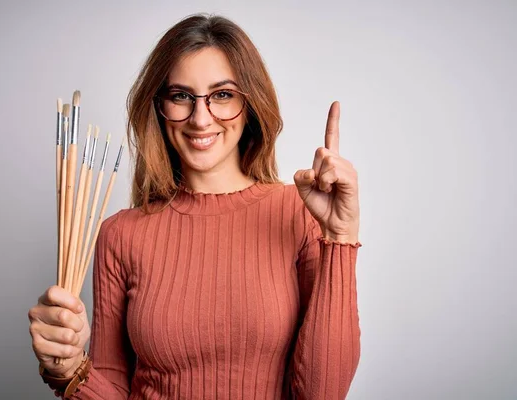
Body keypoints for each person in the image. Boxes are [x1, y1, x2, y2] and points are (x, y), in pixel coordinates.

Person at [28, 13, 362, 400]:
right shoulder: (121, 234)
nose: (200, 119)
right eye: (181, 96)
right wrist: (70, 371)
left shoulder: (299, 213)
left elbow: (324, 393)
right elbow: (114, 387)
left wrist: (340, 237)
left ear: (249, 104)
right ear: (159, 107)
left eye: (222, 94)